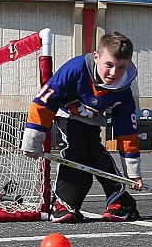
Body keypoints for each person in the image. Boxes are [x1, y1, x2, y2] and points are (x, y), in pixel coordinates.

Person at [20, 31, 143, 223]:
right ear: (96, 57)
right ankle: (65, 203)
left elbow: (126, 132)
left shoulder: (124, 90)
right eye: (108, 65)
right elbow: (43, 103)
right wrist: (32, 142)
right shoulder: (75, 69)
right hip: (66, 114)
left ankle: (119, 200)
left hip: (93, 118)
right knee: (76, 149)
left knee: (94, 152)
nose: (113, 73)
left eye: (121, 67)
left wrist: (133, 174)